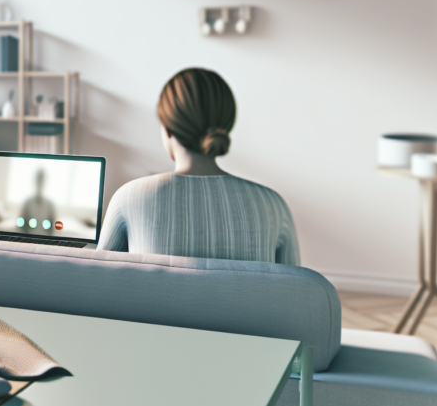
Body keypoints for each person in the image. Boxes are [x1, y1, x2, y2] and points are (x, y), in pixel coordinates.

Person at [96, 68, 300, 265]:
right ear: (226, 126)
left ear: (168, 130)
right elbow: (295, 291)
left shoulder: (130, 198)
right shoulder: (274, 206)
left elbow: (99, 281)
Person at [19, 168, 56, 234]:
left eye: (42, 181)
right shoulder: (27, 202)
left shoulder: (50, 204)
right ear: (34, 181)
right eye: (38, 180)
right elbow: (21, 224)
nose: (40, 183)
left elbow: (53, 227)